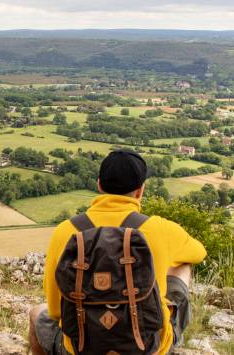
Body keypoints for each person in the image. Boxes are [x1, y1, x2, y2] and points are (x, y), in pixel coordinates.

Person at [29, 149, 206, 355]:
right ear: (140, 191)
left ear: (99, 185)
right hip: (147, 348)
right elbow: (199, 252)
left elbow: (55, 310)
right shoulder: (160, 229)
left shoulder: (66, 231)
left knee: (36, 314)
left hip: (81, 348)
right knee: (182, 264)